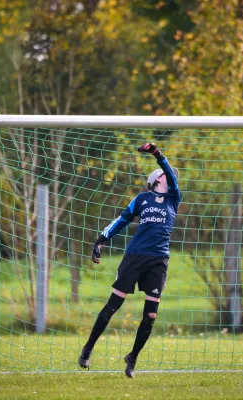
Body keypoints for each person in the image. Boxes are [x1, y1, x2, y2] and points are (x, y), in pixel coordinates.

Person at [78, 142, 182, 378]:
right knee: (113, 305)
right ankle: (87, 349)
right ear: (157, 179)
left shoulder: (174, 198)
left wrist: (157, 154)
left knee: (151, 315)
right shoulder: (142, 199)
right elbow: (122, 220)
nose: (170, 176)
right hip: (134, 257)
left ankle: (132, 357)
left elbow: (172, 178)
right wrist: (101, 239)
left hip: (158, 261)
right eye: (166, 173)